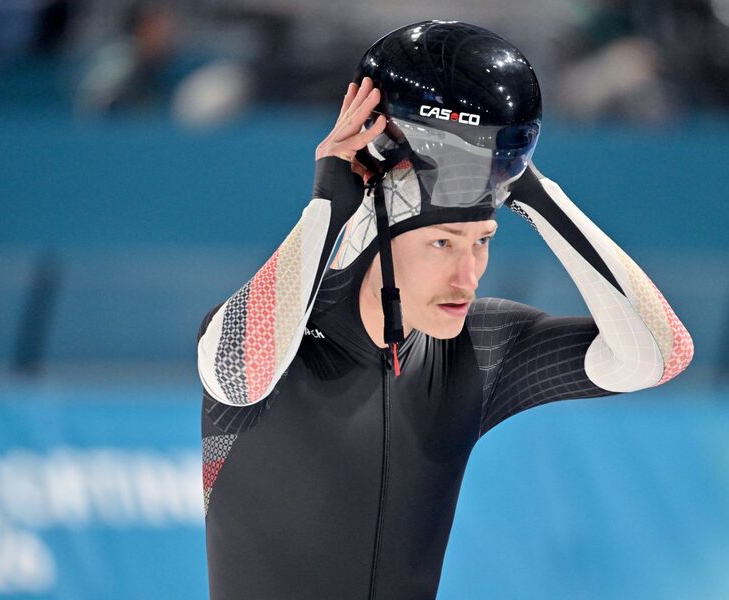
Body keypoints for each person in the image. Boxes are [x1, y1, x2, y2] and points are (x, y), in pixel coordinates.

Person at [196, 21, 693, 600]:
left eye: (482, 241)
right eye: (442, 243)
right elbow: (237, 373)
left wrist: (531, 190)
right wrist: (328, 206)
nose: (468, 275)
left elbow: (659, 354)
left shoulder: (480, 350)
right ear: (377, 229)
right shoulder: (276, 339)